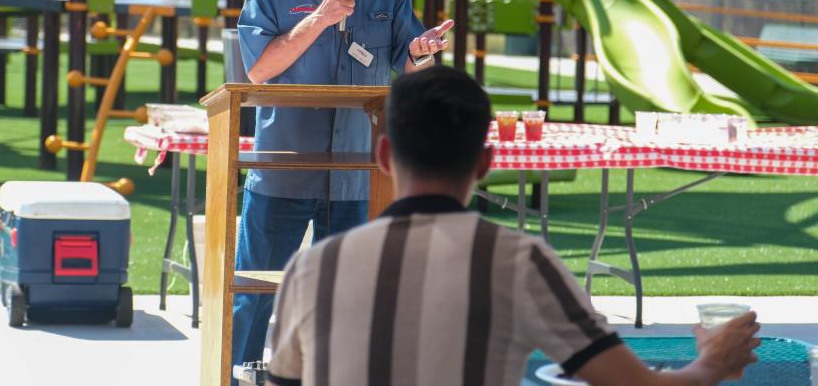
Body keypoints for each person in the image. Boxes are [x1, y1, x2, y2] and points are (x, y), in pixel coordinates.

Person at [265, 66, 761, 386]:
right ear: (485, 163)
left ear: (385, 156)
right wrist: (710, 365)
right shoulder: (519, 262)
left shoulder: (312, 268)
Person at [234, 0, 454, 370]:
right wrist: (320, 18)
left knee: (351, 303)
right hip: (283, 171)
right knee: (254, 296)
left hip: (358, 177)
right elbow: (259, 69)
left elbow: (414, 70)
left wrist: (423, 53)